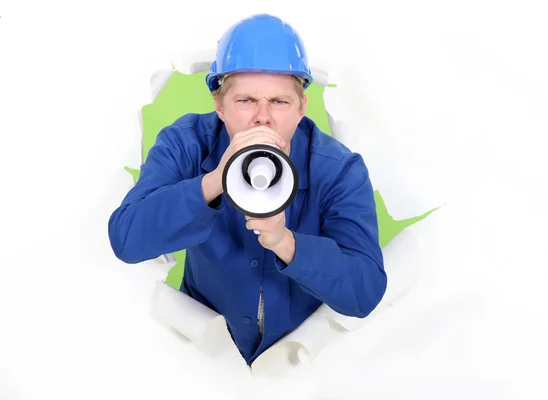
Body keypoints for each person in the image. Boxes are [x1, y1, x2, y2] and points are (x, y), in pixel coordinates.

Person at [108, 13, 387, 365]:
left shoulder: (339, 169)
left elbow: (364, 293)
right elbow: (127, 239)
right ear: (219, 105)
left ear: (302, 107)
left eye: (279, 102)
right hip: (203, 349)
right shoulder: (187, 143)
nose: (262, 117)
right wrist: (213, 181)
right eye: (245, 101)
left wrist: (286, 243)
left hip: (302, 357)